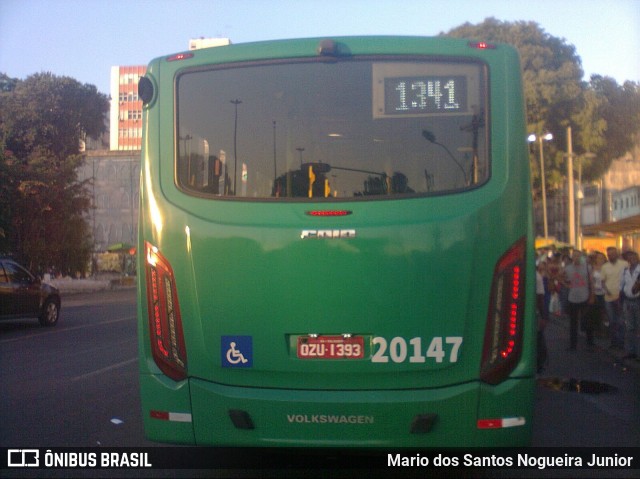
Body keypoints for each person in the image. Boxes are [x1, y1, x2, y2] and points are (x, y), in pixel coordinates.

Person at [601, 247, 628, 350]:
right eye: (609, 254)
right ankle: (614, 342)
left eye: (612, 254)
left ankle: (621, 342)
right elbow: (603, 281)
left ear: (616, 254)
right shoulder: (605, 267)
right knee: (612, 321)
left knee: (621, 321)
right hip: (609, 298)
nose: (611, 256)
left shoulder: (624, 264)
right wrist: (607, 290)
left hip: (620, 297)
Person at [564, 250, 591, 350]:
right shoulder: (568, 268)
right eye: (574, 256)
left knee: (587, 320)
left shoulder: (587, 267)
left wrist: (591, 295)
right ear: (572, 257)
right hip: (573, 297)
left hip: (585, 296)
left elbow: (591, 281)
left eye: (578, 256)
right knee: (573, 322)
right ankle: (573, 344)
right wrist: (566, 284)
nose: (576, 257)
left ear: (580, 257)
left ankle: (590, 342)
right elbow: (560, 276)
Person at [620, 250, 640, 360]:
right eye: (629, 258)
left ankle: (638, 353)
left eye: (633, 257)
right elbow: (622, 285)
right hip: (627, 301)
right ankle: (630, 351)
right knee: (629, 327)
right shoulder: (626, 270)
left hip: (638, 300)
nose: (631, 259)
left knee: (638, 327)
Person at [535, 260, 549, 372]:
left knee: (538, 337)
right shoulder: (537, 277)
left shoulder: (537, 277)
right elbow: (540, 297)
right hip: (534, 312)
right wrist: (544, 316)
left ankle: (539, 361)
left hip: (533, 312)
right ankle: (540, 362)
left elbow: (540, 297)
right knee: (538, 337)